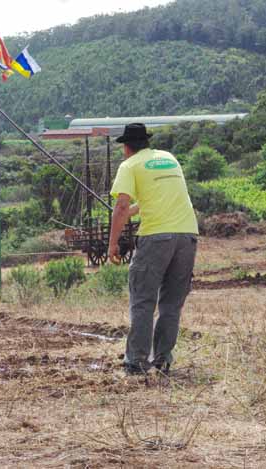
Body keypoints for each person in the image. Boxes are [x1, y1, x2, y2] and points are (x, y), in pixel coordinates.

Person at [108, 123, 198, 375]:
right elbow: (153, 201)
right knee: (171, 303)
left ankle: (136, 361)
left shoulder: (129, 165)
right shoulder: (169, 159)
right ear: (146, 142)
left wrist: (112, 243)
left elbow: (122, 206)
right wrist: (131, 212)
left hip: (156, 237)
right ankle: (162, 358)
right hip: (187, 235)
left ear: (126, 148)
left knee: (143, 300)